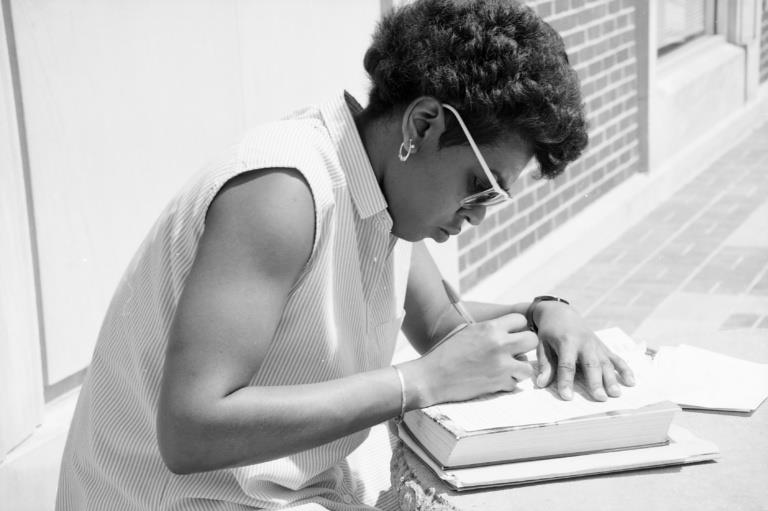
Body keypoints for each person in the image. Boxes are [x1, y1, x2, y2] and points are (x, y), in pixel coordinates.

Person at [56, 1, 635, 509]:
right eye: (480, 185)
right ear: (425, 124)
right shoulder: (282, 191)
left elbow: (441, 327)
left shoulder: (380, 194)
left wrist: (545, 312)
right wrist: (416, 384)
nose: (480, 213)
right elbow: (190, 431)